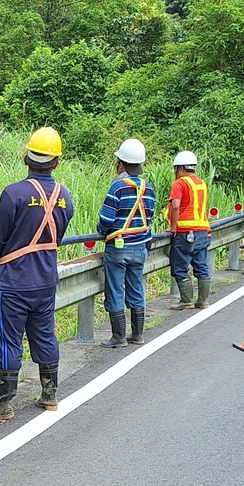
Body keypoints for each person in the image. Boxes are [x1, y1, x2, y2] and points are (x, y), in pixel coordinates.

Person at [0, 127, 75, 419]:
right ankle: (49, 394)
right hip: (46, 279)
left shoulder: (13, 194)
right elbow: (56, 238)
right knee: (45, 334)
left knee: (9, 339)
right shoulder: (65, 197)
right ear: (56, 162)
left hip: (14, 281)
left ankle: (4, 403)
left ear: (26, 158)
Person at [96, 137, 157, 347]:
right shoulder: (148, 188)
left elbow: (106, 220)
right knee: (136, 288)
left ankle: (118, 337)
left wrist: (101, 232)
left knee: (115, 289)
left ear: (121, 163)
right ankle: (138, 335)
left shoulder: (117, 187)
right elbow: (149, 218)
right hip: (140, 247)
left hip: (118, 247)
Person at [166, 151, 212, 310]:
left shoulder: (179, 183)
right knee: (201, 265)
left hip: (185, 232)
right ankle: (203, 301)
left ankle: (186, 300)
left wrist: (173, 227)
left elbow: (176, 205)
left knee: (180, 266)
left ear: (179, 168)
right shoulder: (201, 183)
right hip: (202, 231)